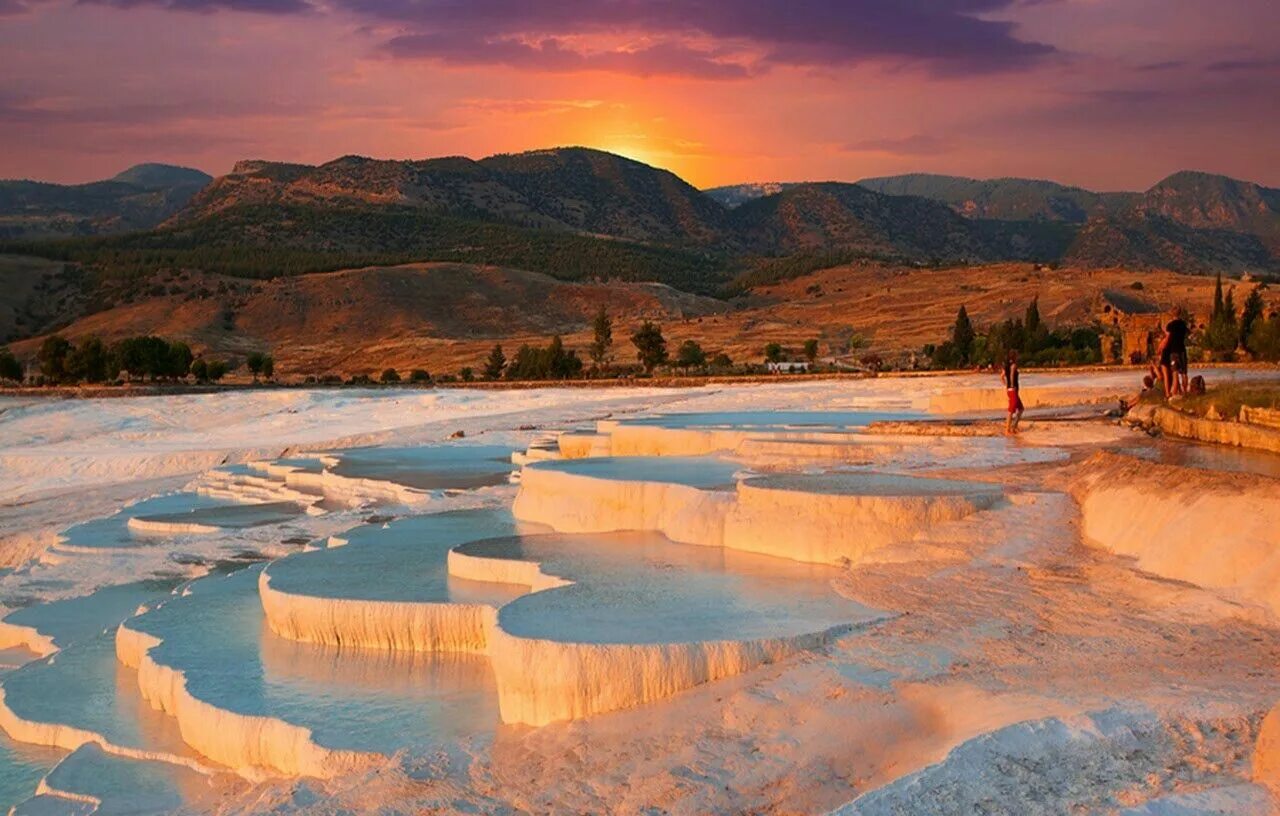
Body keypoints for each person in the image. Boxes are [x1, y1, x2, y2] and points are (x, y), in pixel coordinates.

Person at [1155, 309, 1190, 398]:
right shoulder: (1183, 324)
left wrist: (1159, 349)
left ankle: (1173, 395)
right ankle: (1185, 392)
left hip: (1173, 351)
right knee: (1184, 373)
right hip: (1182, 350)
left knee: (1175, 373)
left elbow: (1167, 339)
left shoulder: (1170, 325)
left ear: (1171, 314)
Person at [1001, 349, 1023, 435]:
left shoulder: (1006, 366)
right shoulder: (1013, 365)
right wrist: (1012, 385)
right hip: (1013, 390)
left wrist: (1006, 385)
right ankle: (1007, 429)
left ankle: (1014, 427)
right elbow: (1011, 376)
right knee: (1011, 410)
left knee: (1021, 409)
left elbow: (1002, 376)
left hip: (1010, 390)